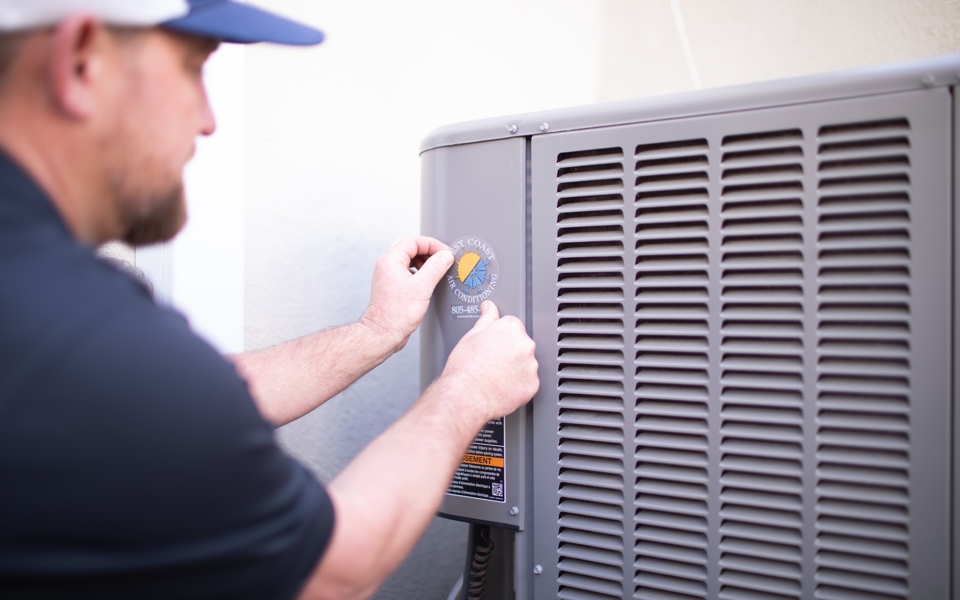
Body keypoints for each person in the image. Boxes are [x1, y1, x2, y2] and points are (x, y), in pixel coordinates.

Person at [0, 1, 539, 599]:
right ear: (80, 64)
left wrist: (376, 329)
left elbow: (168, 402)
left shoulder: (43, 323)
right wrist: (467, 394)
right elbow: (330, 571)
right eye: (193, 67)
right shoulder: (74, 327)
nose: (208, 120)